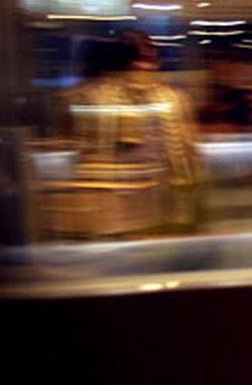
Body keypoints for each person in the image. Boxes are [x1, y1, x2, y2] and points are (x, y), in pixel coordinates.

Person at [42, 33, 205, 237]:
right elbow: (69, 148)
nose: (145, 67)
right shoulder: (86, 96)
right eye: (139, 58)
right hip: (104, 205)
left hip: (154, 205)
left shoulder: (170, 98)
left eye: (150, 59)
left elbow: (185, 155)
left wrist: (187, 205)